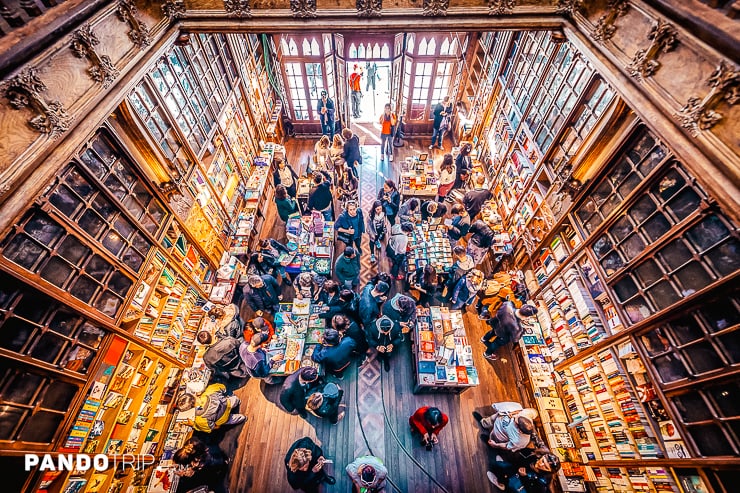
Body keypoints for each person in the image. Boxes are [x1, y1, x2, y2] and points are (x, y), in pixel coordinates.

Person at [175, 383, 246, 433]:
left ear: (189, 409)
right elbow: (222, 387)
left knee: (232, 419)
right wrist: (203, 391)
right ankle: (238, 401)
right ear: (193, 394)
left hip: (223, 419)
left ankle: (243, 418)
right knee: (233, 399)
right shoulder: (209, 391)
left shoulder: (199, 420)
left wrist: (193, 424)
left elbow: (214, 427)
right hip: (227, 404)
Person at [488, 450, 561, 493]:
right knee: (499, 465)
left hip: (522, 485)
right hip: (516, 470)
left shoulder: (543, 481)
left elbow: (532, 491)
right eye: (542, 460)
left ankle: (502, 485)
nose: (540, 464)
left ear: (549, 471)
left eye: (545, 467)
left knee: (509, 479)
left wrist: (524, 477)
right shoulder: (534, 454)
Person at [367, 200, 389, 265]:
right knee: (371, 242)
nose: (379, 210)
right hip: (373, 231)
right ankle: (372, 254)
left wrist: (385, 223)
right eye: (377, 209)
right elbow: (368, 226)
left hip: (380, 229)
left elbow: (385, 218)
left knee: (378, 237)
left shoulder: (383, 212)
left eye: (380, 209)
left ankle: (377, 241)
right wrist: (371, 234)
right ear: (374, 209)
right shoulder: (371, 215)